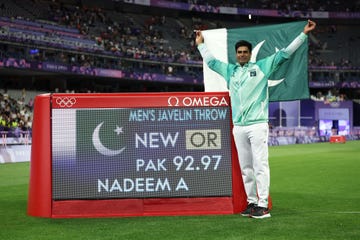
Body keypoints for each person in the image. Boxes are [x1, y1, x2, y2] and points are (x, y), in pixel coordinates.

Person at [195, 20, 316, 219]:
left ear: (250, 53)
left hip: (258, 124)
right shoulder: (230, 71)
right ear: (236, 54)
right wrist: (200, 44)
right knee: (246, 167)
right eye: (239, 52)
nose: (242, 54)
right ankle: (252, 203)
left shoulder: (262, 67)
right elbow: (211, 62)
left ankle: (263, 205)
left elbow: (285, 54)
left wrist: (303, 34)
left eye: (245, 51)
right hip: (239, 126)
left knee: (260, 165)